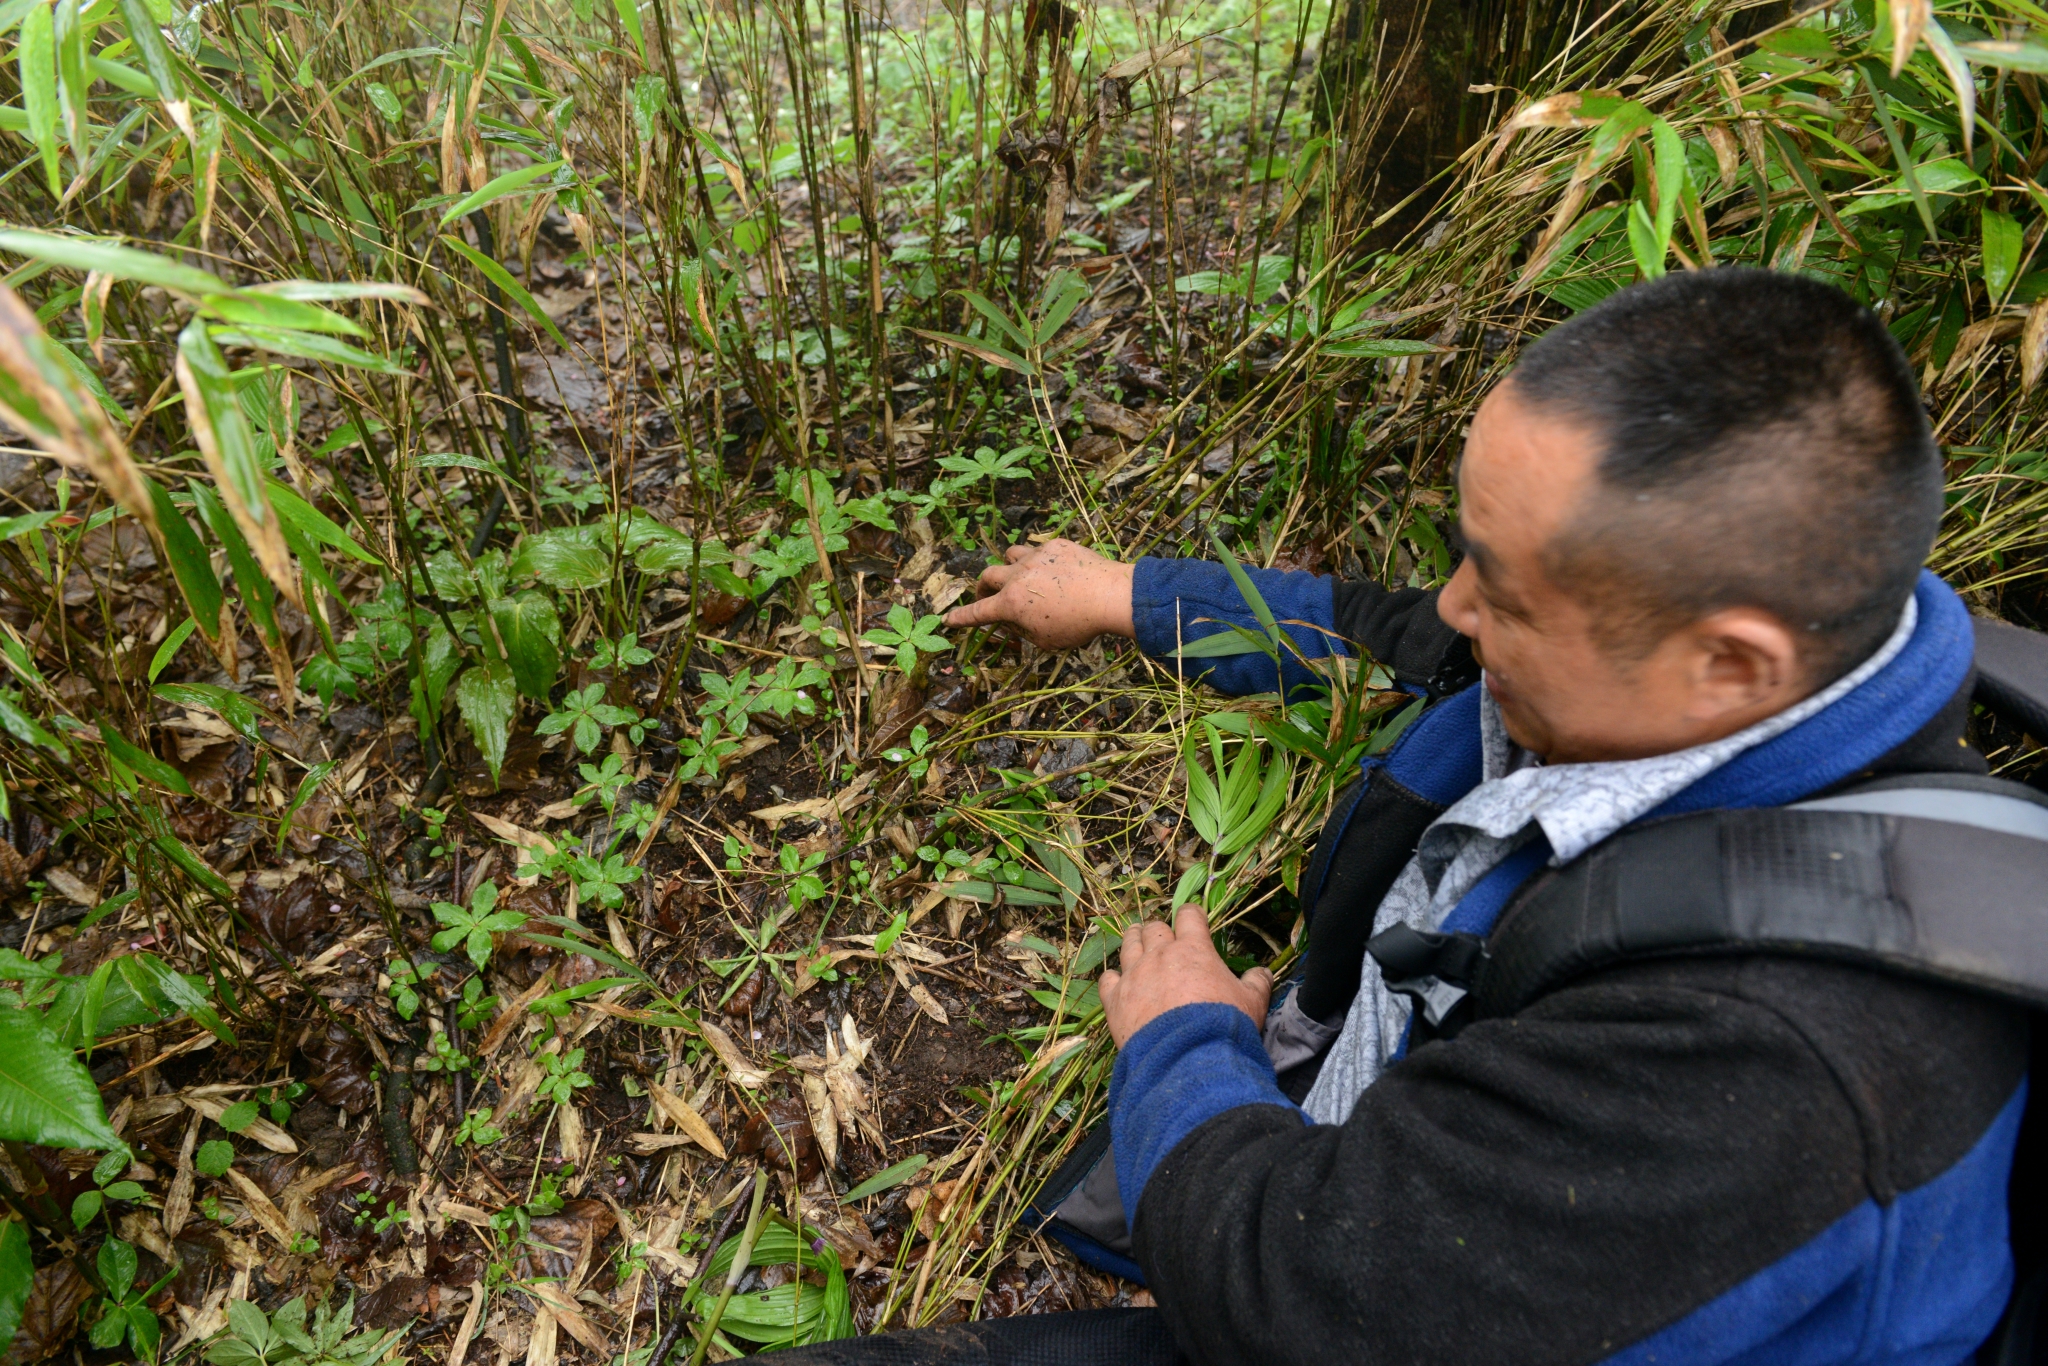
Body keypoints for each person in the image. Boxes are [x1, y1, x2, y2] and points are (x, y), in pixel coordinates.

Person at [781, 269, 2034, 1366]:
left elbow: (1299, 1300)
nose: (1454, 602)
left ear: (1729, 664)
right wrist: (1129, 596)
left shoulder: (1767, 1068)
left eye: (1496, 586)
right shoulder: (1713, 655)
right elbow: (1394, 636)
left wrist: (1181, 1048)